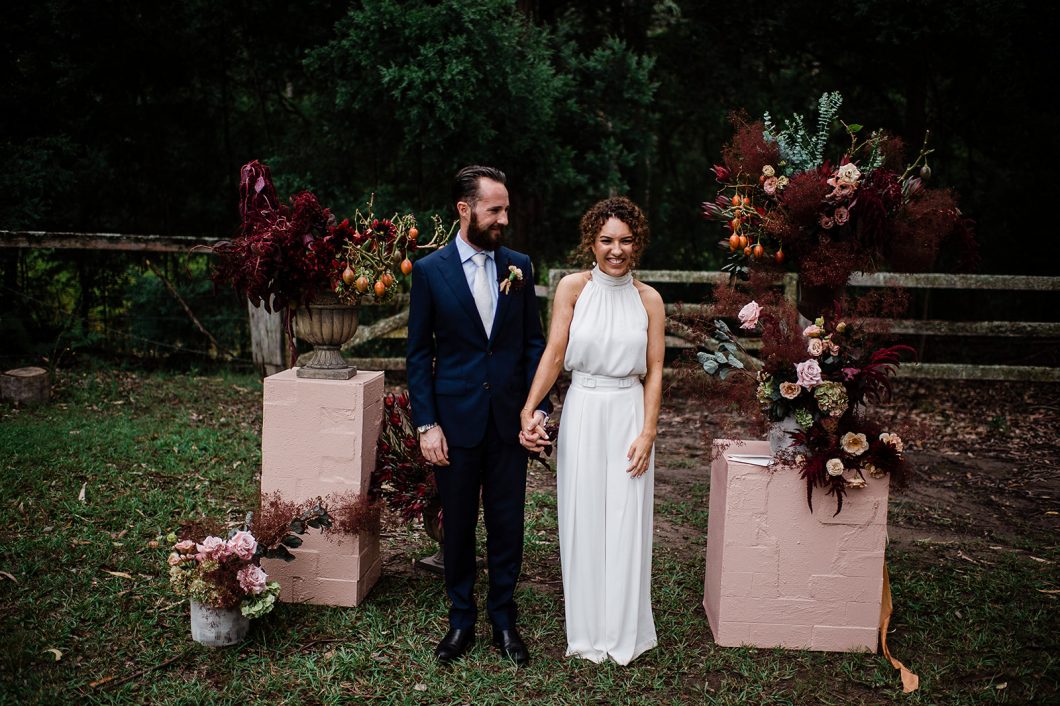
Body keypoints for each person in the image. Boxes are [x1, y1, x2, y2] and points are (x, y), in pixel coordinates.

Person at [406, 165, 550, 667]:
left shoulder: (520, 267)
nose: (503, 219)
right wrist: (427, 425)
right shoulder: (429, 273)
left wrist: (538, 411)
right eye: (495, 209)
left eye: (506, 209)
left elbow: (535, 344)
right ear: (465, 209)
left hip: (511, 422)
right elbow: (418, 355)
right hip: (455, 421)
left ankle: (505, 619)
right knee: (461, 525)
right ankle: (461, 619)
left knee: (508, 524)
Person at [519, 196, 664, 665]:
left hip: (627, 410)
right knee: (582, 518)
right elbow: (555, 354)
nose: (615, 250)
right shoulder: (571, 289)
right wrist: (530, 406)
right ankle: (584, 633)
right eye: (606, 240)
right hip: (583, 406)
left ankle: (623, 632)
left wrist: (648, 433)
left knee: (625, 519)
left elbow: (657, 370)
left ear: (636, 243)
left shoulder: (650, 300)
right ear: (592, 242)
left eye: (624, 240)